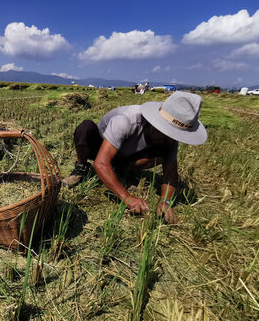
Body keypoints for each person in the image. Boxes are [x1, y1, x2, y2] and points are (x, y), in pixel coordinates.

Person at [63, 91, 207, 224]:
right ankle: (81, 168)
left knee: (159, 156)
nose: (170, 139)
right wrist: (127, 197)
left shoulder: (169, 140)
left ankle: (119, 171)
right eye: (167, 133)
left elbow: (170, 171)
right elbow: (100, 163)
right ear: (154, 123)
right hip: (102, 149)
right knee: (85, 127)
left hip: (124, 157)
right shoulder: (126, 120)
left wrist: (165, 201)